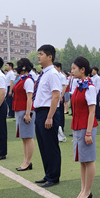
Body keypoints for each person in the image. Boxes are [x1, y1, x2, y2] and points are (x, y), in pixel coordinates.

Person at [69, 56, 98, 198]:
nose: (72, 71)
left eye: (74, 68)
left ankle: (87, 192)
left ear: (82, 70)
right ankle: (83, 190)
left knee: (88, 160)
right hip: (77, 126)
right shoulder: (78, 85)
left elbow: (92, 112)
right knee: (82, 160)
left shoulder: (90, 87)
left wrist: (88, 133)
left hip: (86, 127)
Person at [33, 44, 62, 188]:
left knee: (50, 145)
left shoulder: (52, 74)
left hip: (47, 112)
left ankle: (53, 176)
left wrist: (50, 116)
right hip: (39, 112)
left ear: (50, 57)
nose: (39, 56)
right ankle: (48, 173)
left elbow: (56, 96)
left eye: (41, 54)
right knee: (43, 145)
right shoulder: (43, 73)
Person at [12, 58, 36, 171]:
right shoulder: (21, 79)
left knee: (28, 137)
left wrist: (27, 113)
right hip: (19, 110)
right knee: (24, 137)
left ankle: (28, 161)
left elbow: (29, 98)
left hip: (25, 110)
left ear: (24, 67)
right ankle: (26, 160)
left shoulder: (28, 80)